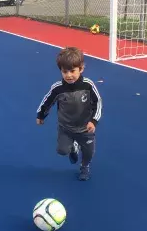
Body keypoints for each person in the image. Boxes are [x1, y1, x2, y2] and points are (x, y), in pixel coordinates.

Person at [36, 47, 102, 181]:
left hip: (85, 128)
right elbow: (47, 101)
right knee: (62, 151)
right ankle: (73, 147)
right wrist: (41, 115)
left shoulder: (88, 85)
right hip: (65, 128)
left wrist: (93, 121)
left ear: (81, 69)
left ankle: (84, 167)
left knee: (89, 151)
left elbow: (98, 103)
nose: (69, 75)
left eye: (73, 71)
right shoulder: (58, 88)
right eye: (64, 71)